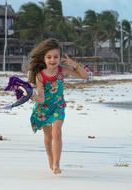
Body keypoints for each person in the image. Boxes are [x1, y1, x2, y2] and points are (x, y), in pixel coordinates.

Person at [28, 38, 88, 174]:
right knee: (48, 137)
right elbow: (41, 99)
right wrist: (30, 95)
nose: (52, 60)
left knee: (57, 132)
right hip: (43, 109)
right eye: (49, 57)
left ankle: (56, 164)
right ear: (44, 58)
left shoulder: (62, 70)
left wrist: (75, 65)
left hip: (58, 107)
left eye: (56, 57)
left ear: (60, 58)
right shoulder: (40, 75)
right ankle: (50, 158)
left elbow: (84, 77)